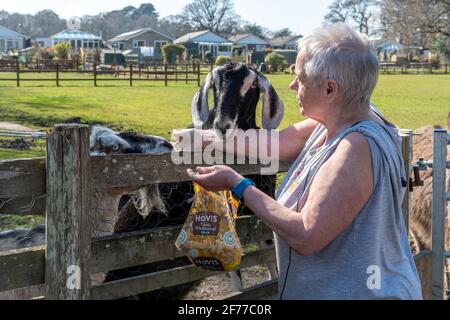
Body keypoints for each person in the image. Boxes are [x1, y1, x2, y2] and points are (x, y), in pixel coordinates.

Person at [174, 23, 422, 300]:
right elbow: (279, 143)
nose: (292, 85)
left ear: (330, 90)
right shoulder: (342, 117)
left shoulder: (356, 148)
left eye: (300, 78)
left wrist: (237, 183)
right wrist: (203, 138)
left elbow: (306, 235)